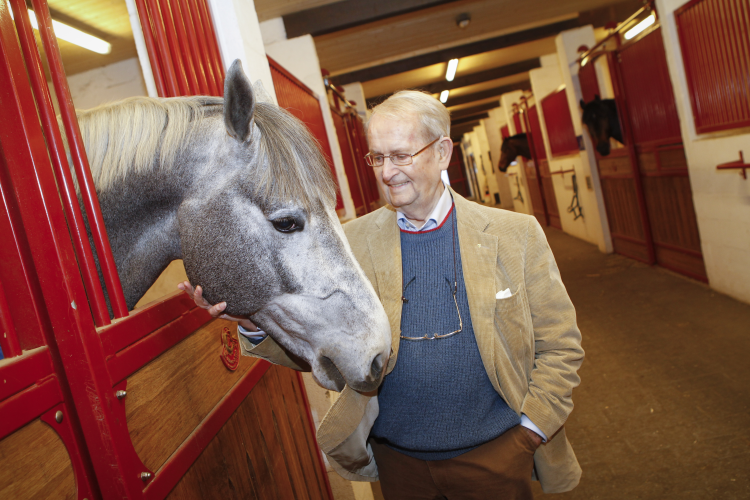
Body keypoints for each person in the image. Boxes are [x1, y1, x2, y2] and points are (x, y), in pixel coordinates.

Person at [179, 90, 584, 499]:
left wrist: (529, 434)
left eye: (401, 155)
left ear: (442, 152)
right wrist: (250, 323)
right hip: (399, 465)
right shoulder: (349, 243)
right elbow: (322, 348)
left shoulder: (515, 235)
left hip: (495, 457)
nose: (387, 172)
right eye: (377, 157)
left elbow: (560, 345)